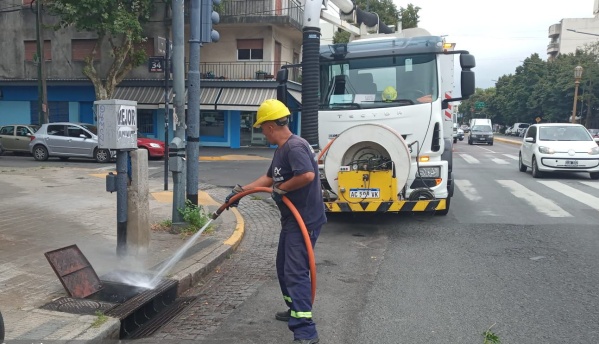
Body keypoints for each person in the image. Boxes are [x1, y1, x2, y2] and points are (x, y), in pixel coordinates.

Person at [225, 99, 326, 344]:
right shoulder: (282, 149)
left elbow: (307, 175)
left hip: (304, 220)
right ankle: (294, 310)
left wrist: (283, 188)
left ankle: (305, 331)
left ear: (271, 126)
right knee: (283, 268)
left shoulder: (295, 147)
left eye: (261, 126)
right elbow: (269, 178)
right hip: (292, 220)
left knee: (295, 271)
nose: (261, 131)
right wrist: (240, 191)